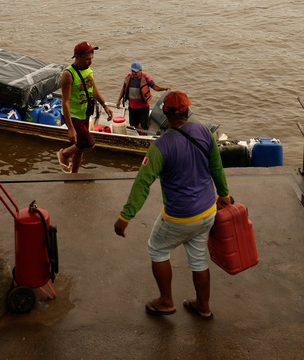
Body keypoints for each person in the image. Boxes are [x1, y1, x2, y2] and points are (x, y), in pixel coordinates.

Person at [114, 91, 230, 320]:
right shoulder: (204, 132)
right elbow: (216, 168)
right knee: (198, 259)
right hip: (208, 211)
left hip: (179, 217)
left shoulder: (160, 147)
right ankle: (203, 306)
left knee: (157, 249)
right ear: (187, 111)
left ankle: (166, 301)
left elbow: (142, 184)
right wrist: (224, 195)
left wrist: (125, 217)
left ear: (165, 113)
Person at [57, 41, 113, 173]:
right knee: (89, 144)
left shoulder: (88, 69)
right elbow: (65, 102)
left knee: (80, 148)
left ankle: (74, 174)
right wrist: (70, 128)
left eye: (91, 59)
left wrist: (104, 105)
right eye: (87, 59)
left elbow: (93, 88)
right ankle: (64, 154)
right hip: (73, 115)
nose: (90, 62)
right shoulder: (68, 75)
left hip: (84, 113)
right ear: (77, 57)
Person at [116, 61, 170, 131]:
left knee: (144, 126)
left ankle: (143, 135)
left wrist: (164, 88)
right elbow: (123, 89)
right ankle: (142, 134)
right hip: (132, 107)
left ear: (140, 70)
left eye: (136, 71)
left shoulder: (146, 78)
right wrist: (119, 100)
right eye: (132, 71)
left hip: (143, 107)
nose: (134, 73)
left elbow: (155, 87)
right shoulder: (128, 78)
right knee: (134, 124)